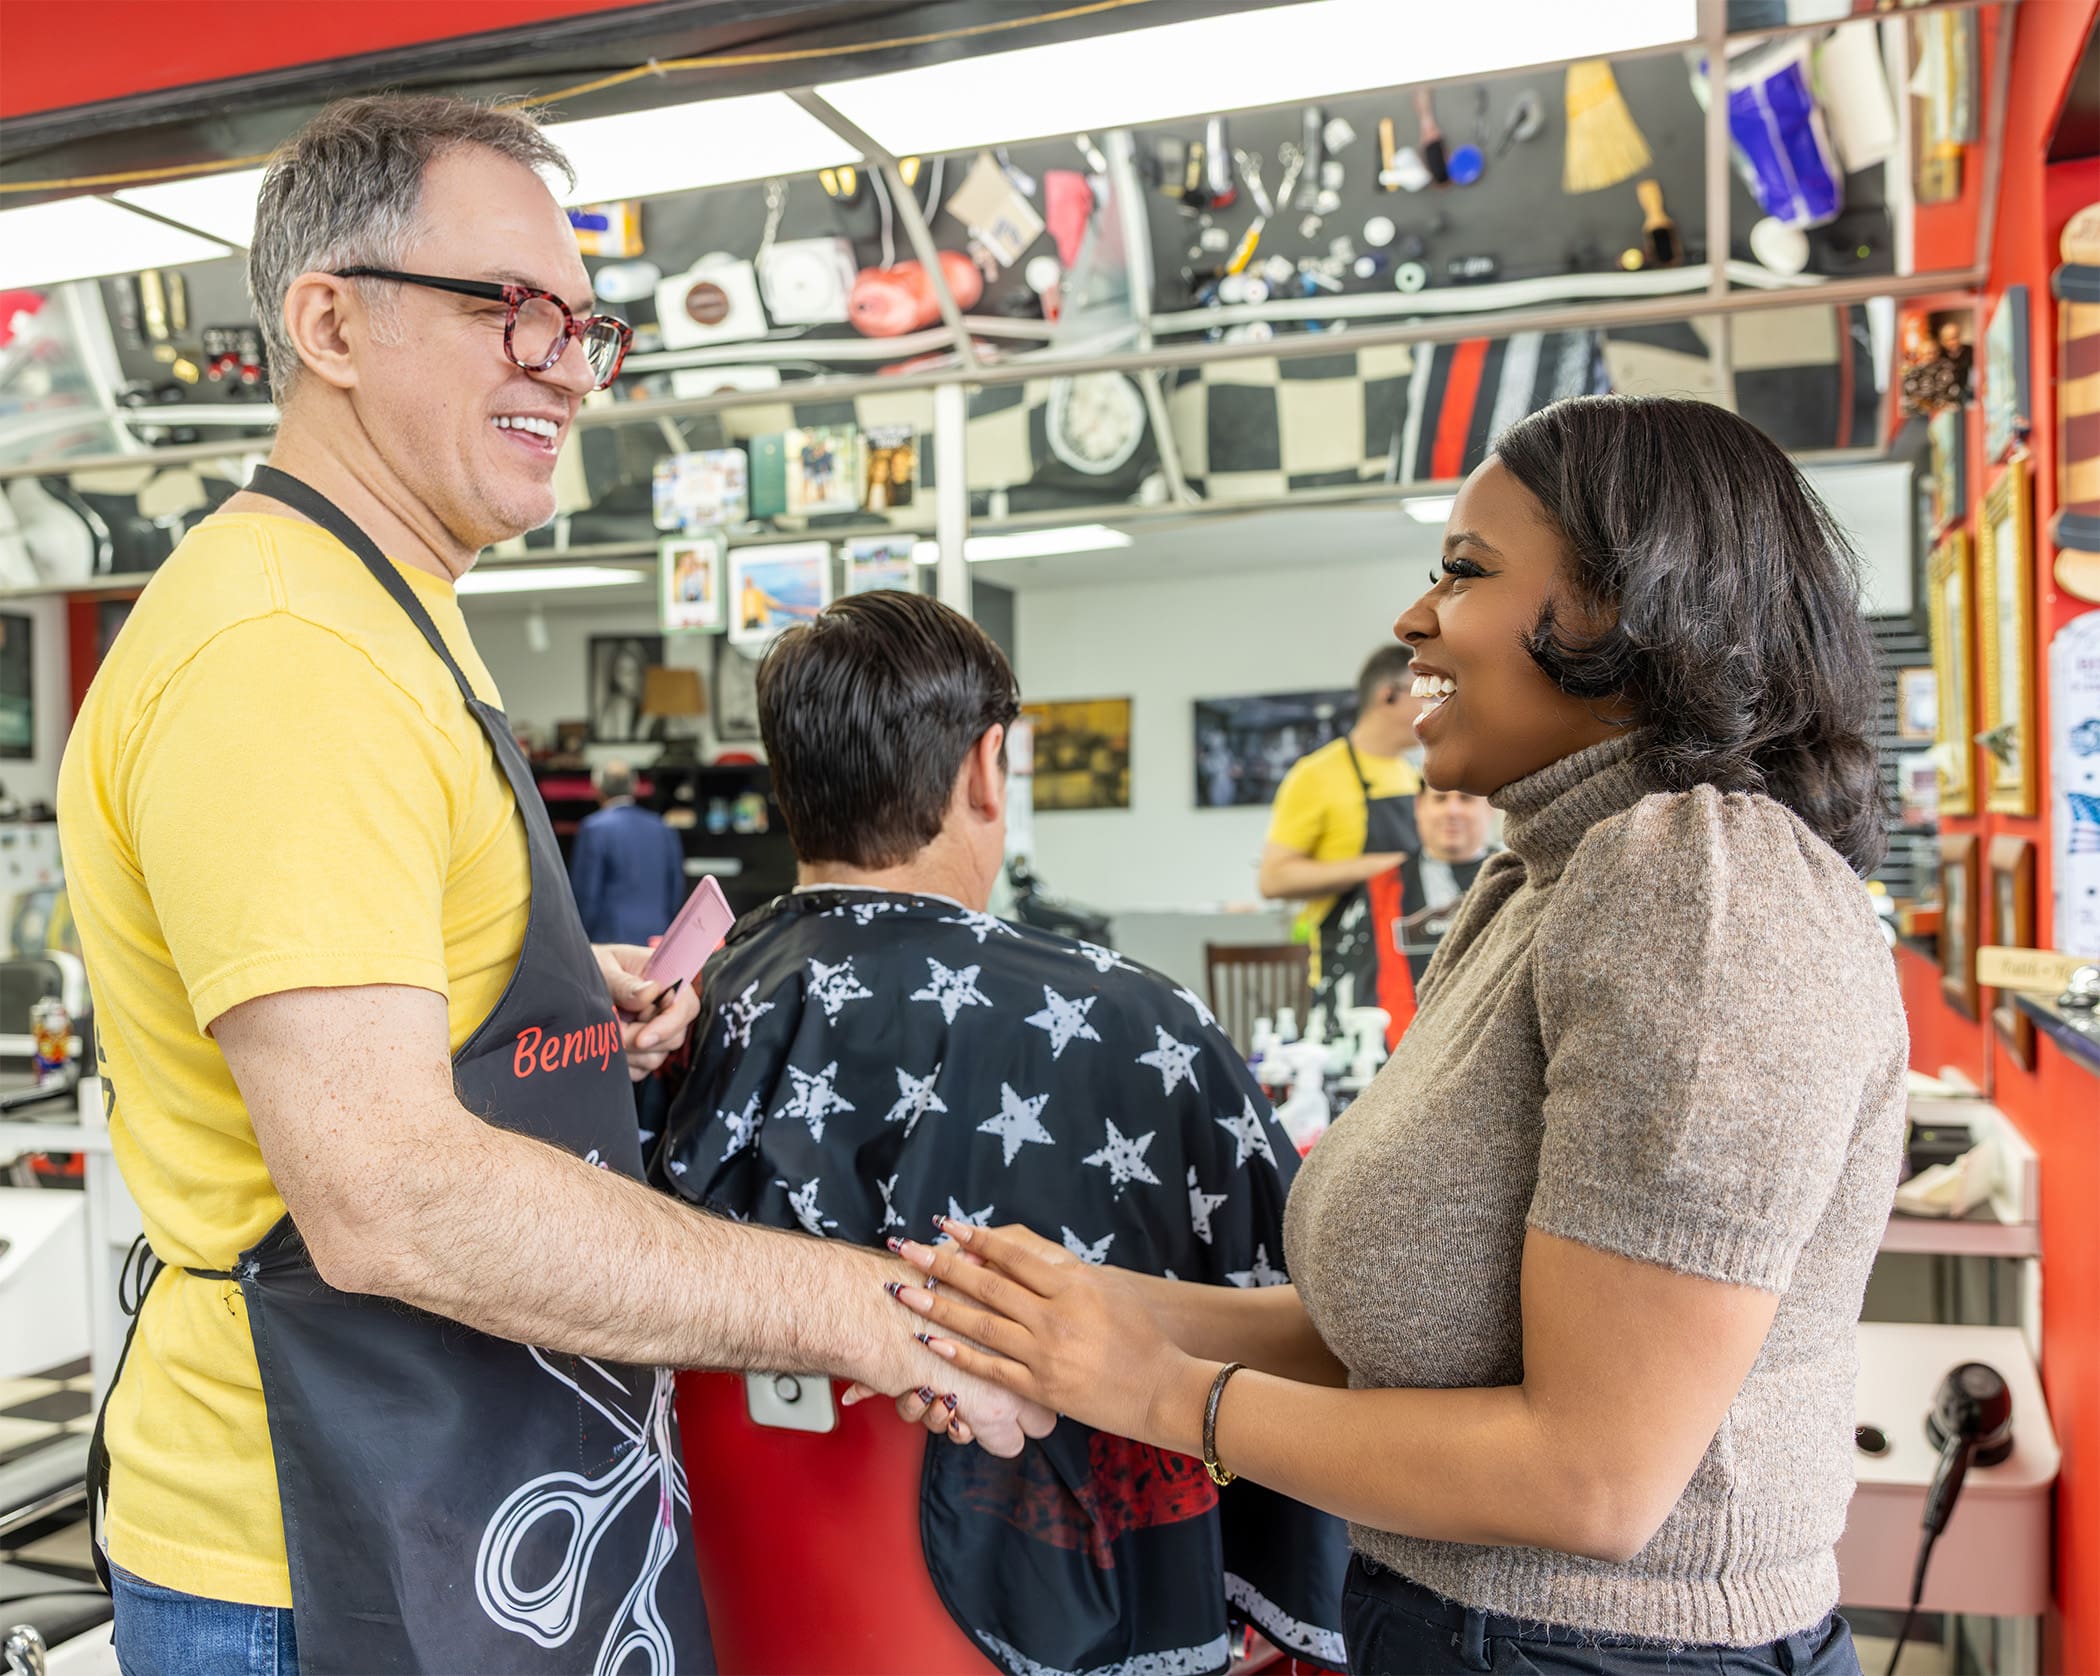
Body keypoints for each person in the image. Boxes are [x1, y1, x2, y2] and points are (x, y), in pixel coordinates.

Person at [57, 94, 1040, 1676]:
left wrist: (559, 989)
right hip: (317, 1542)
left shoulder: (382, 609)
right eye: (509, 308)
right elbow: (387, 1199)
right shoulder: (288, 654)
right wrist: (871, 1310)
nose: (567, 367)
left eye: (588, 328)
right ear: (331, 321)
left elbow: (364, 988)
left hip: (451, 1485)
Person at [878, 395, 1906, 1676]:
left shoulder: (1698, 889)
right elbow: (1406, 1330)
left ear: (1630, 607)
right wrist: (1086, 1313)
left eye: (1465, 572)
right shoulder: (1545, 876)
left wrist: (1153, 1390)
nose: (1414, 618)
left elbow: (1594, 1477)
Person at [657, 590, 1348, 1676]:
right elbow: (1324, 1332)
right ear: (989, 766)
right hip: (1053, 1610)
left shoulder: (668, 1015)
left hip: (723, 1605)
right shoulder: (1143, 1028)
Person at [1257, 646, 1425, 1019]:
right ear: (1389, 694)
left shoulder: (1416, 775)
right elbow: (1273, 879)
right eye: (1424, 689)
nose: (1434, 703)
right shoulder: (1316, 774)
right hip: (1346, 973)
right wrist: (1387, 866)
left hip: (1413, 972)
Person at [1363, 786, 1497, 1042]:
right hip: (1407, 1048)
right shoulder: (1383, 889)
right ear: (1419, 807)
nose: (1452, 810)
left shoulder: (1519, 879)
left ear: (1489, 807)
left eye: (1466, 798)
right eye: (1440, 799)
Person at [569, 760, 686, 947]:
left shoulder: (593, 829)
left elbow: (587, 894)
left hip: (609, 939)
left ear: (597, 789)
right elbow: (676, 887)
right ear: (634, 787)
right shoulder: (663, 828)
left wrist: (580, 937)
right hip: (657, 936)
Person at [593, 636, 663, 742]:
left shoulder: (646, 704)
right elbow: (622, 745)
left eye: (631, 671)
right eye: (620, 671)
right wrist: (644, 725)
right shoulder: (620, 704)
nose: (623, 678)